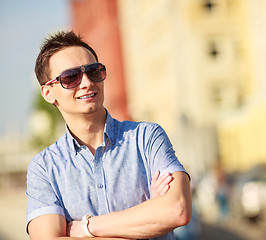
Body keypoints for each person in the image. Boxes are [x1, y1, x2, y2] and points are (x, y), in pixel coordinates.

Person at [26, 30, 192, 240]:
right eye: (71, 77)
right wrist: (147, 218)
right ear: (48, 93)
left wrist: (85, 228)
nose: (86, 82)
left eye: (93, 71)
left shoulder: (146, 137)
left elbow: (177, 210)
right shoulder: (44, 168)